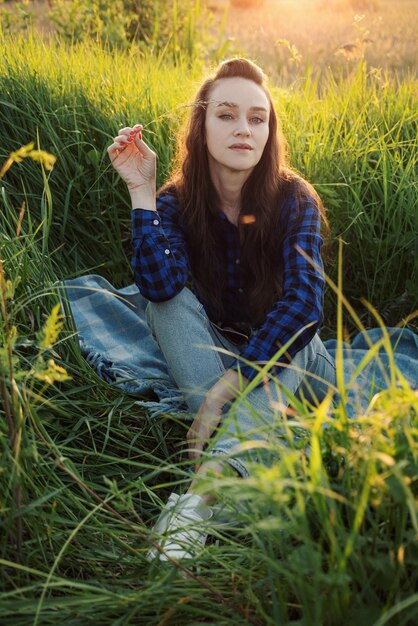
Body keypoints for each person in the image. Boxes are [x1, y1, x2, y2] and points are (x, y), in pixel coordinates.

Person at [107, 57, 336, 562]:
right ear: (202, 125)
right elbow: (159, 284)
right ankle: (244, 471)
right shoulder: (176, 201)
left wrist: (218, 396)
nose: (244, 130)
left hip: (294, 364)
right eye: (228, 115)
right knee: (162, 307)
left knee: (290, 336)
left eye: (258, 119)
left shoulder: (294, 198)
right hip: (217, 345)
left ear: (269, 130)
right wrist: (140, 190)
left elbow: (304, 305)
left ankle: (199, 497)